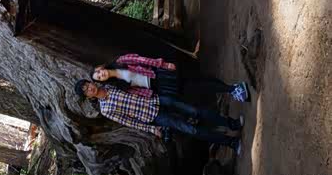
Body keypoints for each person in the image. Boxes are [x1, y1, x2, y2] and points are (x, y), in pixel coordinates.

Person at [74, 79, 244, 155]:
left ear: (91, 82)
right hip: (153, 116)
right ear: (89, 97)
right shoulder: (105, 109)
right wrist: (151, 129)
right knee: (191, 129)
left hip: (155, 99)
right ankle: (230, 142)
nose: (89, 88)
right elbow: (129, 121)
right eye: (86, 91)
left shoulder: (110, 85)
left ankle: (232, 124)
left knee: (195, 111)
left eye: (87, 85)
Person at [90, 53, 250, 102]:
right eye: (99, 78)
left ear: (101, 68)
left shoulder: (121, 61)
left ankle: (233, 88)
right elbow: (136, 92)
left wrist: (163, 64)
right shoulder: (118, 85)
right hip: (158, 87)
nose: (101, 75)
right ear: (102, 81)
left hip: (160, 74)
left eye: (98, 72)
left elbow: (142, 60)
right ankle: (231, 89)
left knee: (197, 79)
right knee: (197, 88)